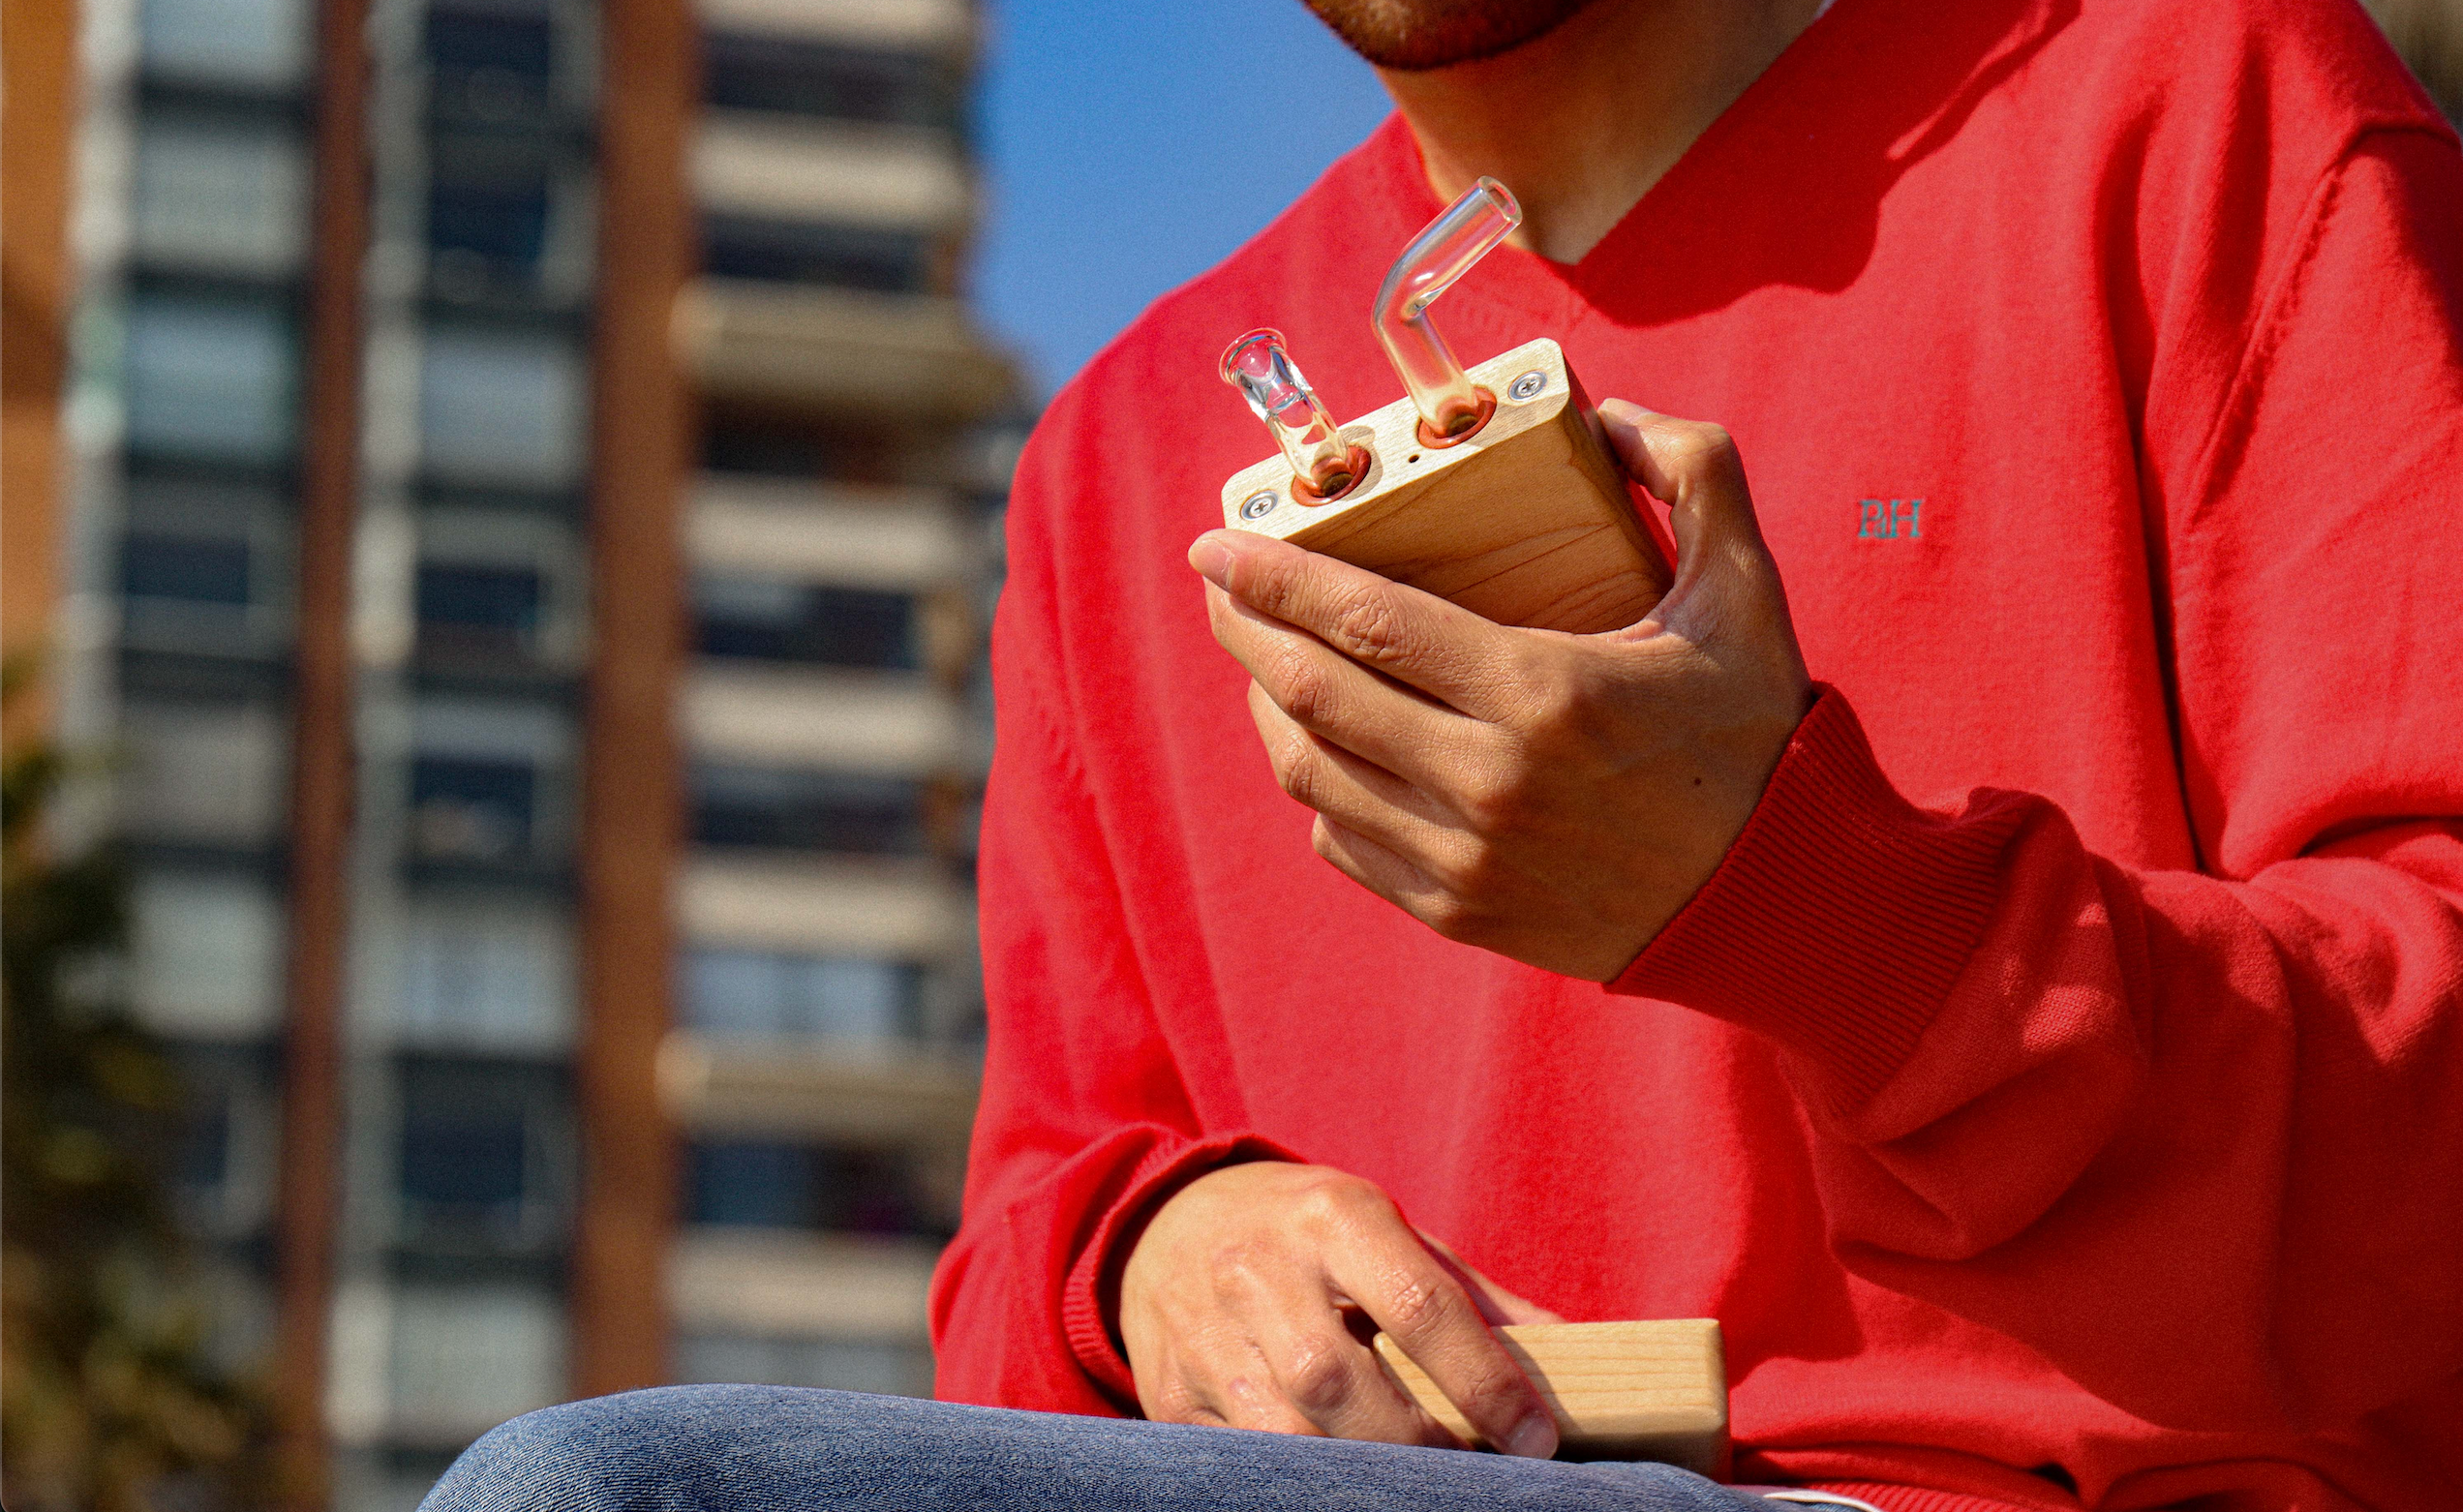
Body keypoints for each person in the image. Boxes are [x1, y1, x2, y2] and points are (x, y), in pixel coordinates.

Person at [426, 0, 2463, 1507]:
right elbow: (1026, 1258)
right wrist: (1160, 1261)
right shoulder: (1121, 463)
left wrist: (1812, 904)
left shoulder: (2204, 119)